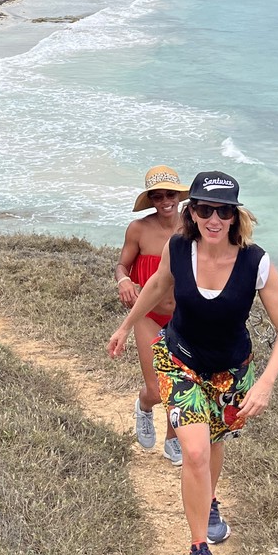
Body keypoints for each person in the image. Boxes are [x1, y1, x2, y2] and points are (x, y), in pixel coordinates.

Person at [108, 170, 278, 555]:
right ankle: (199, 551)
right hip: (181, 362)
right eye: (206, 209)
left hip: (231, 371)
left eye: (224, 211)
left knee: (212, 442)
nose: (214, 219)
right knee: (193, 452)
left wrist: (265, 383)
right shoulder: (179, 248)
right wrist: (125, 327)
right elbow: (157, 286)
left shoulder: (255, 261)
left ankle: (210, 502)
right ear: (192, 212)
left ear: (235, 216)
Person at [114, 165, 190, 464]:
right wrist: (123, 281)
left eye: (169, 194)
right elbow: (122, 265)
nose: (164, 201)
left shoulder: (194, 226)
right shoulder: (139, 229)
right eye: (157, 196)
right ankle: (144, 407)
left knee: (181, 383)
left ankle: (173, 440)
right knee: (157, 389)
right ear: (151, 200)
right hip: (147, 314)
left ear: (179, 196)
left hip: (185, 317)